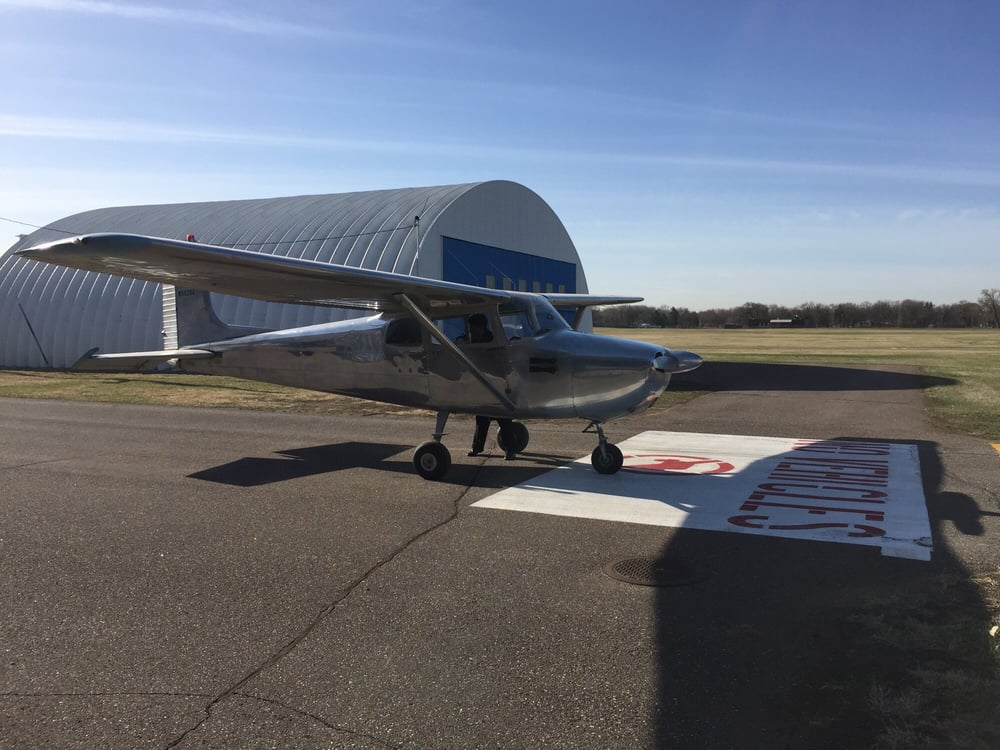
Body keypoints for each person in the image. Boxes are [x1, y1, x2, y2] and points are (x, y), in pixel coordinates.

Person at [462, 314, 516, 460]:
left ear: (482, 327)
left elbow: (502, 364)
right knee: (481, 418)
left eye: (475, 328)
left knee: (504, 419)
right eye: (471, 329)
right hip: (481, 384)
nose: (473, 331)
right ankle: (477, 447)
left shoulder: (493, 342)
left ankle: (510, 449)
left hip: (496, 384)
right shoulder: (474, 341)